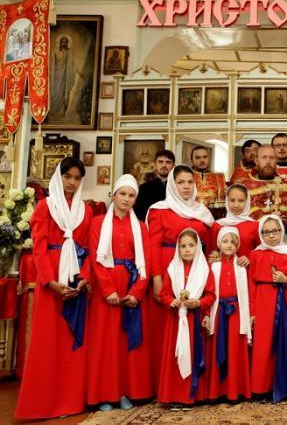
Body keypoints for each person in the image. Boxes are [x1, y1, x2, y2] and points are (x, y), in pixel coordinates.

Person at [15, 157, 93, 419]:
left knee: (71, 342)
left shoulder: (85, 210)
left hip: (75, 278)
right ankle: (43, 404)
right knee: (48, 341)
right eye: (67, 177)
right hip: (52, 280)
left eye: (77, 178)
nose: (72, 183)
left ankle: (70, 402)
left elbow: (88, 249)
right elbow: (39, 249)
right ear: (58, 178)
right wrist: (50, 281)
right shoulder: (44, 207)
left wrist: (84, 278)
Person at [87, 174, 152, 411]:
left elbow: (146, 262)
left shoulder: (141, 227)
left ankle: (126, 391)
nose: (126, 199)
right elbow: (96, 259)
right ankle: (105, 394)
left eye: (131, 195)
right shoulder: (98, 223)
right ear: (113, 195)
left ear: (136, 199)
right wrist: (107, 290)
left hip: (131, 284)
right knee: (106, 342)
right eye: (122, 194)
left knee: (127, 342)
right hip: (107, 287)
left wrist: (137, 292)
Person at [147, 165, 214, 389]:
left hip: (196, 274)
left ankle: (190, 384)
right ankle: (164, 383)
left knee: (193, 326)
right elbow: (153, 246)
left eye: (190, 182)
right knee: (167, 328)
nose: (186, 187)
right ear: (172, 184)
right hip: (168, 270)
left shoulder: (202, 212)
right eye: (180, 182)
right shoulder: (159, 210)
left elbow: (209, 246)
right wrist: (157, 278)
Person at [158, 229, 216, 408]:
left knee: (193, 353)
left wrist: (199, 302)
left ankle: (194, 395)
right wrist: (172, 301)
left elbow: (211, 295)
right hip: (177, 320)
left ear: (198, 247)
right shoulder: (172, 269)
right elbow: (164, 293)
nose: (187, 249)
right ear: (178, 248)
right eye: (183, 246)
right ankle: (175, 395)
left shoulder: (205, 270)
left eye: (191, 245)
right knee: (177, 354)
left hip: (195, 319)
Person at [249, 215, 287, 402]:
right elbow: (251, 284)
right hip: (262, 302)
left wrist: (285, 279)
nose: (271, 235)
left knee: (284, 342)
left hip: (283, 300)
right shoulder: (255, 255)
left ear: (281, 231)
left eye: (275, 231)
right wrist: (252, 312)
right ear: (261, 234)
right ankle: (261, 387)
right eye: (267, 232)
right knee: (263, 345)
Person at [204, 227, 252, 402]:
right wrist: (207, 313)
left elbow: (249, 291)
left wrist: (251, 313)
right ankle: (217, 391)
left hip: (237, 312)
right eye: (225, 241)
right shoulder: (213, 266)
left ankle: (234, 391)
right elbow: (208, 291)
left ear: (238, 245)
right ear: (219, 244)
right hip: (219, 312)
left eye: (233, 242)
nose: (229, 245)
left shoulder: (242, 266)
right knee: (218, 347)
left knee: (235, 349)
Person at [234, 145, 287, 229]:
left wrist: (283, 220)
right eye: (264, 157)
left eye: (271, 158)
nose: (268, 161)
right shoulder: (243, 187)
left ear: (276, 160)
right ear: (256, 161)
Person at [210, 184, 260, 264]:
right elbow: (212, 254)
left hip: (248, 270)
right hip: (224, 270)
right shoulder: (218, 225)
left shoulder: (256, 226)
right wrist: (214, 257)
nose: (236, 205)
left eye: (241, 201)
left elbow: (261, 253)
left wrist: (250, 258)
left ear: (247, 201)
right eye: (232, 200)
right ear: (227, 201)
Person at [134, 149, 175, 221]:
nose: (164, 165)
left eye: (168, 162)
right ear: (155, 165)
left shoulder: (177, 188)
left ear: (173, 166)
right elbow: (138, 215)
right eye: (160, 162)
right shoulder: (144, 188)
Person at [49, 35, 75, 118]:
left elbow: (71, 65)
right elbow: (52, 64)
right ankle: (53, 111)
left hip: (64, 77)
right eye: (62, 42)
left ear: (67, 43)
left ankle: (61, 113)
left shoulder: (69, 52)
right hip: (56, 75)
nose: (64, 43)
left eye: (65, 42)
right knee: (55, 93)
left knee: (63, 93)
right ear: (59, 43)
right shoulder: (55, 51)